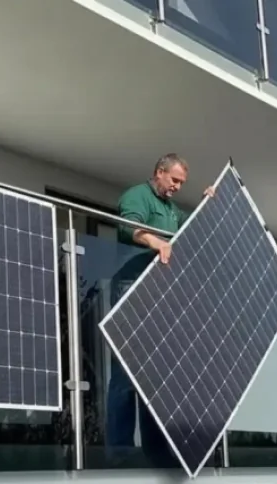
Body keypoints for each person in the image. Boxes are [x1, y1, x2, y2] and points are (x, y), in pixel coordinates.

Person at [105, 153, 215, 466]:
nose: (177, 187)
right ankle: (119, 451)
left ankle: (157, 452)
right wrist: (158, 243)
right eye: (174, 180)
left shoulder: (171, 210)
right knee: (126, 373)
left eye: (182, 183)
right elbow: (130, 227)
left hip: (159, 295)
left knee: (155, 377)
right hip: (130, 289)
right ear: (159, 172)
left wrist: (208, 203)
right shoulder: (137, 195)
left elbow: (192, 229)